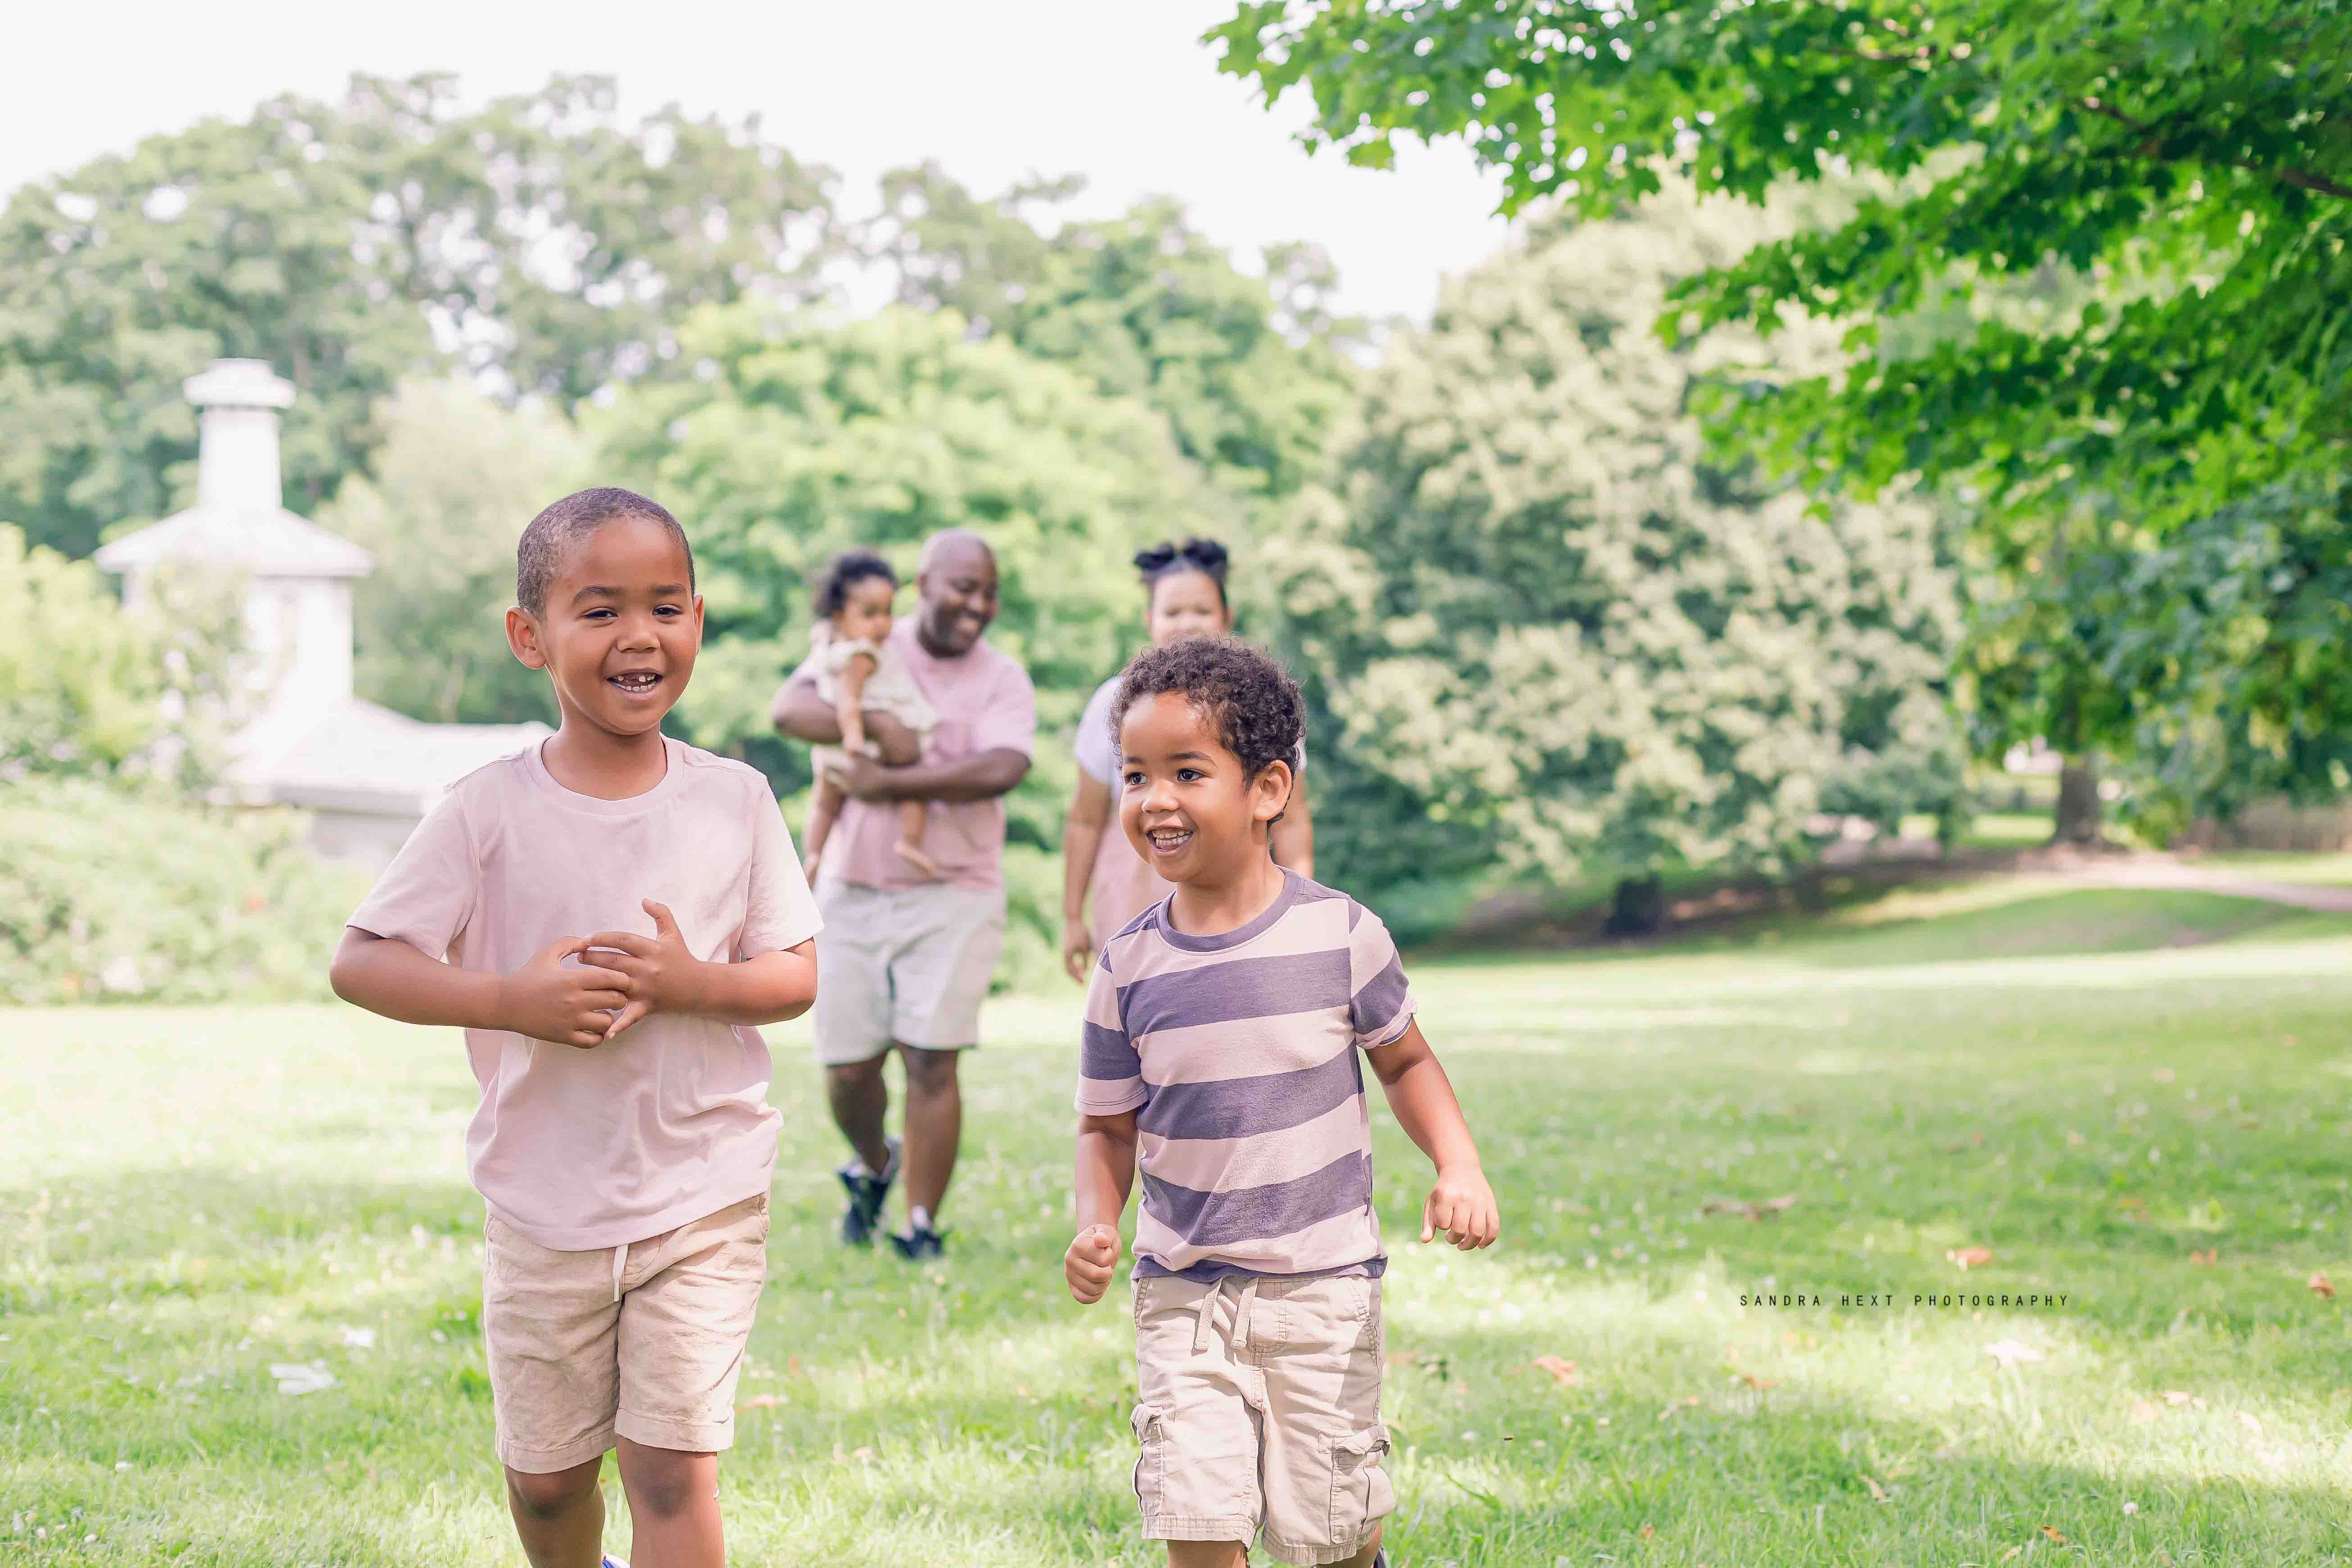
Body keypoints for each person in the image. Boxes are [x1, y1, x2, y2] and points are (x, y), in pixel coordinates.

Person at [329, 487, 822, 1568]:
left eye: (667, 607)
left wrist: (695, 981)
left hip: (703, 1190)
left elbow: (793, 975)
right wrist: (513, 1002)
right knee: (549, 1484)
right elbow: (362, 960)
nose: (640, 636)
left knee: (669, 1465)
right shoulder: (483, 809)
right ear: (529, 637)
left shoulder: (734, 799)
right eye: (599, 611)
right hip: (545, 1200)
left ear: (697, 618)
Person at [1063, 635, 1500, 1568]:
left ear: (1267, 789)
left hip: (1321, 1294)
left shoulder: (1339, 933)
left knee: (1331, 1537)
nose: (1154, 800)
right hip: (1182, 1293)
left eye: (1186, 771)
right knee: (1198, 1520)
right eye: (1134, 775)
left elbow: (1406, 1062)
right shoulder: (1128, 967)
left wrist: (1457, 1164)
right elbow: (1105, 1125)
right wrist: (1097, 1220)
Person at [768, 528, 1034, 1260]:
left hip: (955, 890)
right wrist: (883, 728)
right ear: (923, 582)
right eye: (963, 587)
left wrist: (892, 779)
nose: (978, 604)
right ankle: (876, 1164)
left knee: (930, 1058)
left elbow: (1003, 765)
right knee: (848, 1066)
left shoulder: (1002, 677)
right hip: (851, 886)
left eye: (989, 591)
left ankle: (920, 1225)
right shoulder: (869, 635)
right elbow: (787, 711)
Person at [1060, 538, 1315, 982]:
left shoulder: (1260, 705)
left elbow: (1292, 820)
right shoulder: (1114, 705)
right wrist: (1071, 916)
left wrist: (1301, 906)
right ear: (1149, 620)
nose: (1187, 623)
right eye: (1172, 612)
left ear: (1226, 617)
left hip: (1239, 908)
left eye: (1201, 610)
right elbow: (1085, 819)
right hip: (1131, 902)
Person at [798, 548, 941, 884]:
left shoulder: (828, 641)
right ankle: (909, 842)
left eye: (887, 612)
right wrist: (854, 737)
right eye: (870, 614)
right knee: (913, 784)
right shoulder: (863, 655)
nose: (883, 623)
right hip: (864, 743)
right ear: (839, 615)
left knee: (824, 803)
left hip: (834, 748)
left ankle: (814, 855)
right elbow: (849, 701)